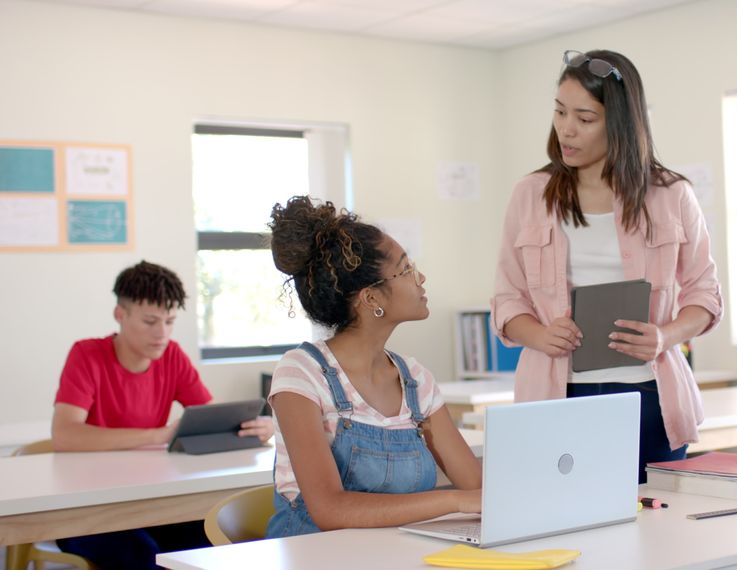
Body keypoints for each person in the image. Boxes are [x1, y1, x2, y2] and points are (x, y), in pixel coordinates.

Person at [491, 49, 723, 483]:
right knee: (568, 527)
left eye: (585, 117)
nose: (567, 128)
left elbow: (704, 295)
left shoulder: (671, 195)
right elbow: (507, 299)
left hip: (650, 398)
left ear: (618, 123)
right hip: (557, 395)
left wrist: (664, 336)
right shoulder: (530, 194)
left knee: (659, 533)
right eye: (560, 112)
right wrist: (540, 334)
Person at [264, 196, 481, 536]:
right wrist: (455, 501)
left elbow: (476, 485)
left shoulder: (416, 379)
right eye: (407, 269)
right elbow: (330, 510)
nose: (420, 277)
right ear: (371, 298)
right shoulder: (301, 373)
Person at [51, 260, 274, 569]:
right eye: (150, 321)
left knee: (208, 544)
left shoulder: (172, 356)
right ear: (120, 315)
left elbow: (210, 420)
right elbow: (65, 435)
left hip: (149, 501)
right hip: (87, 508)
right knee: (141, 555)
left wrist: (258, 427)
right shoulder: (86, 355)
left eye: (169, 321)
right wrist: (158, 435)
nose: (162, 333)